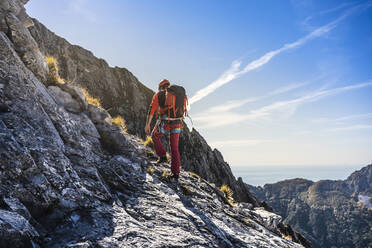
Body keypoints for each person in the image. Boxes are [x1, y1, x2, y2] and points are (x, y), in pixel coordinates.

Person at [145, 79, 185, 181]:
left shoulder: (159, 94)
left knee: (155, 136)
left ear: (160, 87)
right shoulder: (177, 94)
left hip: (165, 121)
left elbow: (152, 110)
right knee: (174, 148)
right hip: (177, 123)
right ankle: (175, 173)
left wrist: (148, 124)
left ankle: (162, 156)